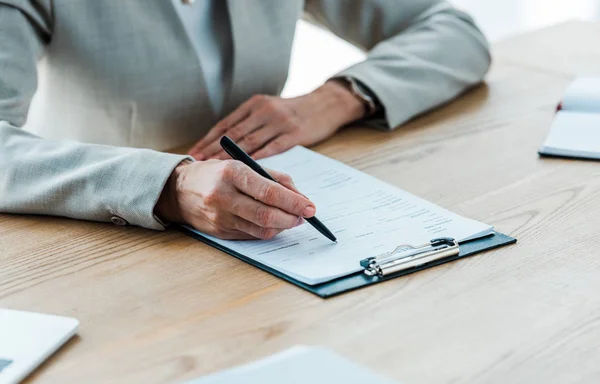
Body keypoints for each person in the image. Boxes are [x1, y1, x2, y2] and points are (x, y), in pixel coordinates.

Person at [0, 0, 491, 240]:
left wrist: (336, 99)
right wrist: (168, 184)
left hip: (267, 238)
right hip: (105, 244)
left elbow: (451, 30)